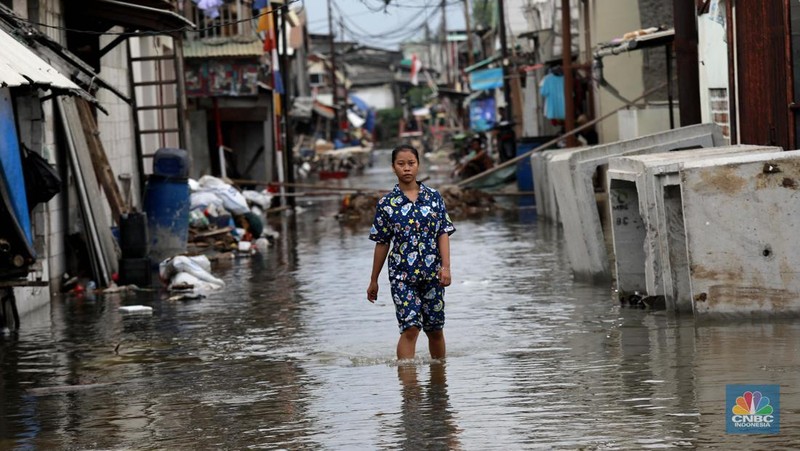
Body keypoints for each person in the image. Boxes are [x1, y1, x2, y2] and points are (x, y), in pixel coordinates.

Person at [367, 144, 456, 360]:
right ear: (393, 168)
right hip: (402, 276)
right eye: (401, 164)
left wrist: (446, 267)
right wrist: (373, 280)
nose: (406, 168)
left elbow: (442, 233)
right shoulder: (387, 204)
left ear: (418, 165)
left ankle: (439, 381)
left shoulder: (434, 198)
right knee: (410, 328)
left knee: (435, 329)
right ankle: (409, 388)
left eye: (411, 163)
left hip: (432, 274)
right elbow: (381, 243)